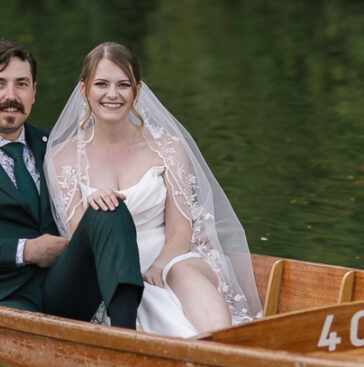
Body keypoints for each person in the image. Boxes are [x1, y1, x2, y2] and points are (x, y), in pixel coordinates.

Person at [0, 40, 146, 327]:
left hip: (60, 287)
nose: (11, 95)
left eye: (21, 84)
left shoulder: (57, 148)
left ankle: (127, 336)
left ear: (34, 92)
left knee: (110, 208)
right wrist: (26, 250)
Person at [45, 43, 261, 336]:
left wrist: (158, 267)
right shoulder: (63, 157)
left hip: (168, 255)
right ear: (84, 90)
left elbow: (180, 232)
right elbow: (78, 234)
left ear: (137, 90)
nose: (112, 94)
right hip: (108, 265)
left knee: (183, 271)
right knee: (131, 291)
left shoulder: (168, 148)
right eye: (101, 84)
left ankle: (225, 347)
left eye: (123, 85)